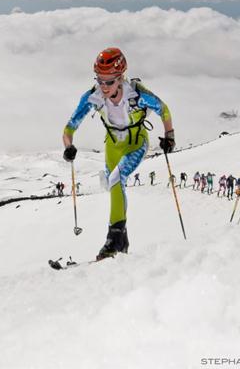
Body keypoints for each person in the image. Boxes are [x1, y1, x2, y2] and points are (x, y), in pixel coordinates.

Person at [62, 47, 174, 260]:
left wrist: (170, 136)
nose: (104, 86)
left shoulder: (137, 94)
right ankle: (122, 243)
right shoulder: (93, 97)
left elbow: (164, 109)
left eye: (109, 81)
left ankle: (113, 241)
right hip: (112, 147)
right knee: (113, 186)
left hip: (136, 144)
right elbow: (69, 128)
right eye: (100, 80)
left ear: (121, 77)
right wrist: (69, 147)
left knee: (116, 178)